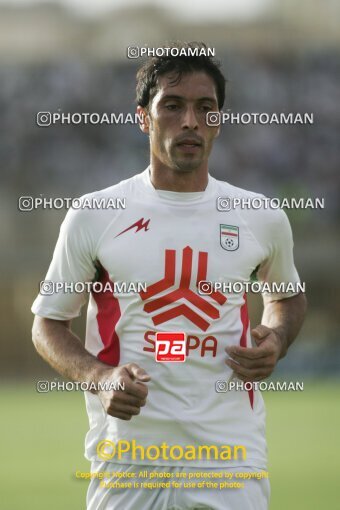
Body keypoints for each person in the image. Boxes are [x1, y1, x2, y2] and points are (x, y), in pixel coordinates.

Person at [31, 42, 307, 510]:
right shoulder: (96, 213)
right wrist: (99, 378)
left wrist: (277, 339)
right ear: (143, 117)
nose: (190, 122)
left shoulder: (260, 216)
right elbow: (47, 324)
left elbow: (287, 297)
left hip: (230, 460)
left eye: (206, 108)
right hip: (129, 460)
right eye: (172, 106)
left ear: (219, 120)